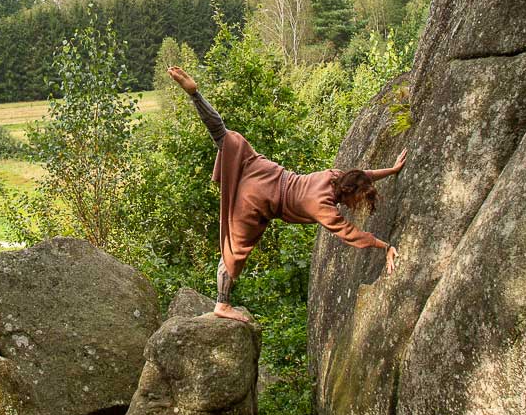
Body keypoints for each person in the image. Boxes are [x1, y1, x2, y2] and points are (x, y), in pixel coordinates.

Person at [166, 66, 405, 323]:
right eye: (355, 200)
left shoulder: (333, 177)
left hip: (265, 173)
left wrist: (391, 170)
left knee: (226, 137)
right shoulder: (323, 206)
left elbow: (363, 175)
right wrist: (385, 246)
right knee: (234, 251)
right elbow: (350, 233)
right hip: (259, 200)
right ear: (347, 192)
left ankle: (195, 95)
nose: (353, 206)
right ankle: (222, 304)